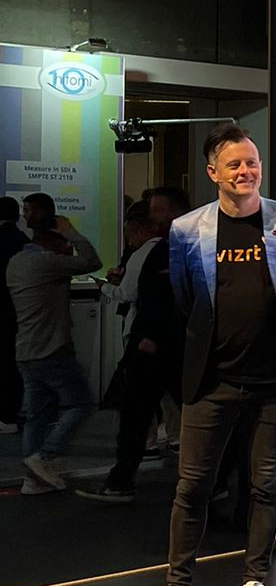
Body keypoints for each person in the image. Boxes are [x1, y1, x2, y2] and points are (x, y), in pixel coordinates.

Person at [132, 126, 276, 586]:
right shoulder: (186, 230)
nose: (246, 171)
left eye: (252, 162)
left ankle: (254, 582)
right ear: (213, 172)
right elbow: (185, 300)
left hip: (274, 381)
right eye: (234, 164)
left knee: (264, 485)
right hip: (210, 380)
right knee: (192, 486)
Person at [78, 186, 188, 505]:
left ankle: (122, 480)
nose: (155, 215)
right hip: (172, 344)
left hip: (152, 345)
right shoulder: (177, 248)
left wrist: (151, 335)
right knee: (172, 408)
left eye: (159, 209)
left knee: (136, 414)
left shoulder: (156, 251)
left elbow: (145, 296)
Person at [6, 194, 101, 493]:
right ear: (56, 243)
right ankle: (45, 457)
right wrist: (71, 231)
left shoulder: (16, 262)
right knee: (82, 403)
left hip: (25, 349)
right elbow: (92, 261)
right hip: (52, 348)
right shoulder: (46, 262)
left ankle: (33, 479)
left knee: (36, 415)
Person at [0, 196, 25, 432]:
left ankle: (6, 415)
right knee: (14, 363)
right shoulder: (23, 241)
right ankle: (15, 411)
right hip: (20, 309)